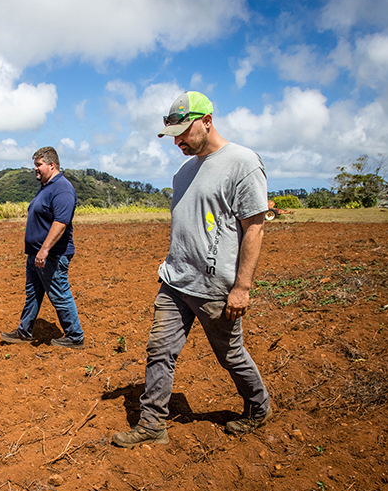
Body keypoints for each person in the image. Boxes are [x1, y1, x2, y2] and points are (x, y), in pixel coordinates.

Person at [113, 91, 272, 448]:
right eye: (174, 136)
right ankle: (153, 423)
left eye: (185, 133)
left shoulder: (242, 163)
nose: (179, 142)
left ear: (208, 121)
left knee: (230, 354)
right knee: (159, 350)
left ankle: (258, 407)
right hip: (175, 281)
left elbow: (255, 228)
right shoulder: (183, 173)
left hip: (215, 287)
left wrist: (242, 287)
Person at [1, 146, 85, 348]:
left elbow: (61, 222)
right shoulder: (47, 187)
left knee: (59, 294)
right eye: (35, 165)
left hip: (52, 255)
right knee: (33, 294)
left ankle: (75, 337)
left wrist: (45, 249)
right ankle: (24, 331)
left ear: (51, 165)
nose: (35, 169)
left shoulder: (62, 188)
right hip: (36, 255)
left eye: (39, 165)